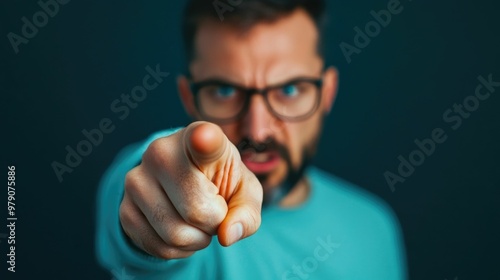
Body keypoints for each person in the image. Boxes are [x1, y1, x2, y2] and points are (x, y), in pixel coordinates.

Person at [96, 0, 407, 279]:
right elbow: (147, 181)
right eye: (225, 91)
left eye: (289, 90)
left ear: (327, 93)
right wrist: (154, 202)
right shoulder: (188, 226)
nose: (257, 131)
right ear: (189, 99)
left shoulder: (374, 226)